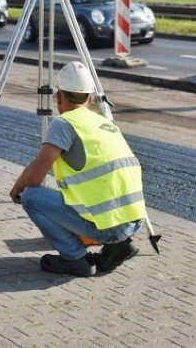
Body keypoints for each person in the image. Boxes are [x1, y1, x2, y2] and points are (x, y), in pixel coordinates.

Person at [9, 61, 146, 277]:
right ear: (90, 99)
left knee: (31, 197)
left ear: (58, 97)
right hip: (133, 222)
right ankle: (119, 246)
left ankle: (74, 258)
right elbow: (36, 165)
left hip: (107, 227)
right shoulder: (105, 124)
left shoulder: (64, 123)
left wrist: (18, 188)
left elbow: (35, 178)